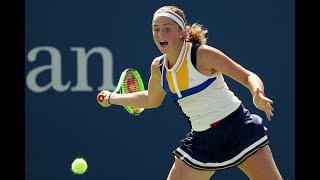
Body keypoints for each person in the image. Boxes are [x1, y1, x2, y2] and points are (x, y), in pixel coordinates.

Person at [97, 5, 283, 180]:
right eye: (156, 28)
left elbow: (248, 76)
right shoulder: (158, 67)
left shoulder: (202, 55)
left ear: (181, 32)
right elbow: (150, 99)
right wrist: (112, 98)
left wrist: (257, 94)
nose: (160, 33)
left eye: (167, 28)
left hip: (238, 129)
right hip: (202, 140)